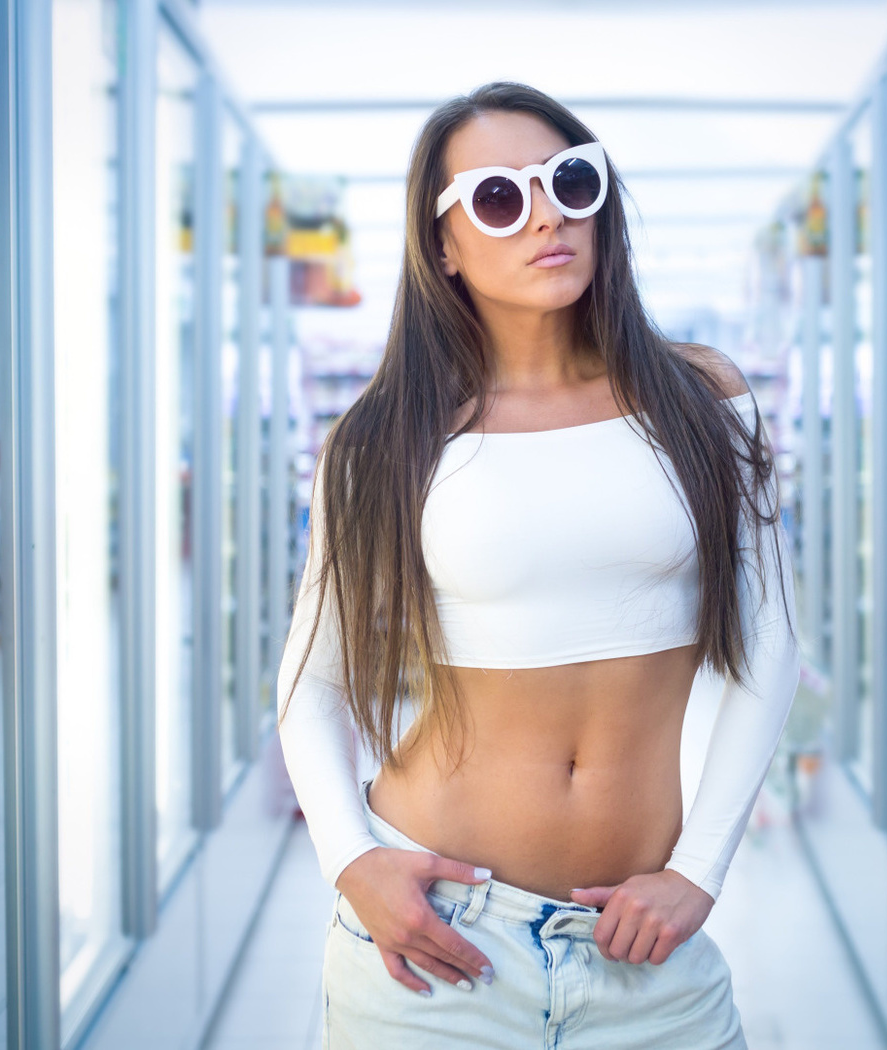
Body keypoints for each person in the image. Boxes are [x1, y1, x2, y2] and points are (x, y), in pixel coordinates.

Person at [276, 80, 801, 1050]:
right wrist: (351, 861)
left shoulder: (703, 401)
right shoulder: (387, 437)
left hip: (643, 954)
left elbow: (772, 647)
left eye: (569, 180)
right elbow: (313, 675)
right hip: (436, 943)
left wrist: (701, 869)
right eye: (499, 198)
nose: (547, 213)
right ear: (443, 245)